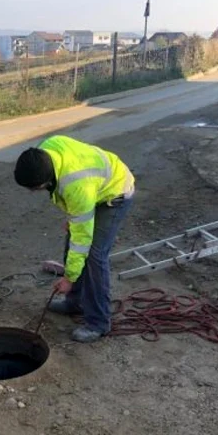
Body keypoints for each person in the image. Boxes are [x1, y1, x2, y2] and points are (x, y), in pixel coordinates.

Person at [14, 135, 135, 343]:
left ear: (45, 181)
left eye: (34, 189)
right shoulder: (44, 152)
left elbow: (82, 240)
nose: (33, 193)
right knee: (73, 238)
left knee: (94, 256)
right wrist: (75, 218)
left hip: (115, 193)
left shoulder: (75, 186)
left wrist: (69, 278)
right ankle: (75, 302)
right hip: (93, 187)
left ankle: (98, 323)